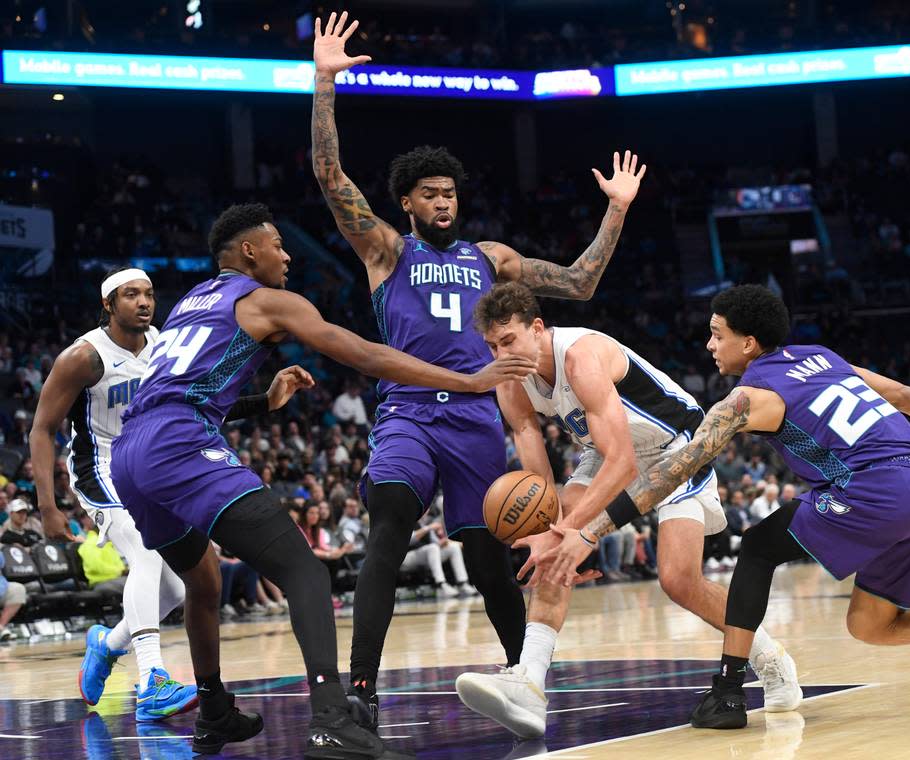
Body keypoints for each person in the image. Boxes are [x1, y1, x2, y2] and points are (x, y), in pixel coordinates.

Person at [308, 11, 647, 724]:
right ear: (407, 202)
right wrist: (325, 81)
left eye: (450, 193)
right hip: (407, 410)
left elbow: (580, 283)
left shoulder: (488, 259)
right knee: (389, 525)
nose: (442, 201)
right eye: (429, 193)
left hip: (474, 420)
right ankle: (360, 692)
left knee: (491, 561)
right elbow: (328, 173)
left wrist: (615, 212)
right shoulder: (385, 251)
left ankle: (528, 687)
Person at [107, 203, 532, 758]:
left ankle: (213, 710)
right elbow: (363, 352)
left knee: (204, 583)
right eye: (278, 245)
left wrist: (264, 401)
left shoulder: (191, 301)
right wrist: (466, 378)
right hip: (178, 444)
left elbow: (176, 391)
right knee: (305, 571)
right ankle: (332, 717)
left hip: (131, 450)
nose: (287, 255)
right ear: (249, 252)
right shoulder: (268, 300)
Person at [527, 284, 910, 726]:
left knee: (757, 548)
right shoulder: (822, 357)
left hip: (874, 488)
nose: (709, 344)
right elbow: (904, 394)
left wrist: (592, 529)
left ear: (749, 343)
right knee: (870, 623)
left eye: (718, 334)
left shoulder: (745, 399)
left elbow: (676, 469)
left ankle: (730, 691)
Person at [454, 283, 800, 739]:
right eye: (493, 346)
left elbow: (625, 463)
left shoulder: (580, 356)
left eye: (510, 340)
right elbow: (527, 437)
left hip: (677, 446)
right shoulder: (507, 376)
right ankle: (529, 685)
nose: (502, 352)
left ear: (537, 328)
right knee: (553, 547)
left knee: (679, 580)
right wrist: (550, 527)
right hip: (603, 453)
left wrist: (576, 532)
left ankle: (770, 658)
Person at [28, 267, 200, 721]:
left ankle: (107, 645)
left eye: (148, 294)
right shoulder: (84, 356)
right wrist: (47, 505)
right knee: (145, 554)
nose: (143, 302)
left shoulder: (161, 343)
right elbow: (42, 429)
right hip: (99, 468)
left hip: (146, 467)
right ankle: (152, 682)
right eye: (130, 295)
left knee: (178, 589)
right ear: (108, 305)